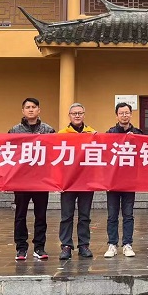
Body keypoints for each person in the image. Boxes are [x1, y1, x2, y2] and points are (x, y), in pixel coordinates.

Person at [9, 97, 55, 261]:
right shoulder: (14, 131)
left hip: (41, 180)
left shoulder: (48, 130)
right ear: (23, 111)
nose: (30, 110)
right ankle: (21, 248)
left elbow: (54, 153)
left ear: (38, 110)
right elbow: (9, 154)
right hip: (21, 180)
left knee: (40, 215)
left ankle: (39, 247)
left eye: (34, 107)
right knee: (20, 215)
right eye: (27, 107)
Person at [56, 103, 96, 260]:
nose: (77, 115)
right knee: (66, 215)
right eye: (74, 113)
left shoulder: (93, 133)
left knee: (85, 215)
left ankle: (83, 245)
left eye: (80, 113)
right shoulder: (61, 134)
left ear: (84, 115)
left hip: (86, 181)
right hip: (68, 182)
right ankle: (66, 245)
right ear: (69, 116)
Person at [104, 102, 143, 258]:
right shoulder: (109, 133)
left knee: (128, 214)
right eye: (121, 113)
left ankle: (127, 244)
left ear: (131, 114)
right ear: (117, 115)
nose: (124, 115)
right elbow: (104, 155)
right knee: (112, 215)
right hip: (113, 180)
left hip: (129, 181)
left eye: (127, 113)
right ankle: (112, 244)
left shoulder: (138, 133)